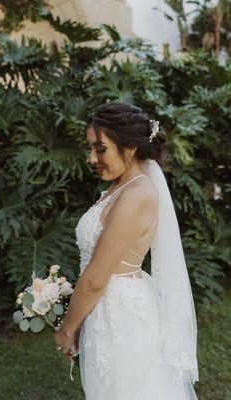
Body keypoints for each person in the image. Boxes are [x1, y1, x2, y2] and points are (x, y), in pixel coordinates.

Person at [54, 101, 199, 399]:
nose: (92, 158)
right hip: (106, 309)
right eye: (90, 148)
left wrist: (67, 329)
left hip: (120, 315)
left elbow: (95, 277)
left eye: (100, 149)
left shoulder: (137, 194)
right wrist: (82, 319)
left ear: (130, 148)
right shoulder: (123, 184)